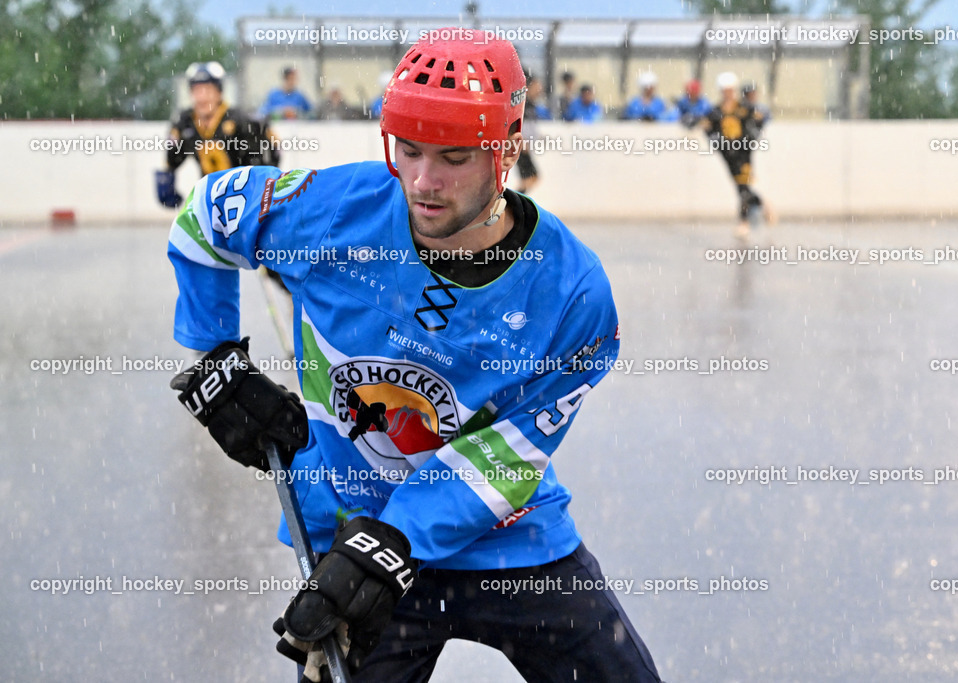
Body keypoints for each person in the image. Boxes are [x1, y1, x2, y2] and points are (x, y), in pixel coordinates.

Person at [167, 29, 662, 682]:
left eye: (454, 157)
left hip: (507, 540)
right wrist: (216, 359)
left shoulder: (572, 293)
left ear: (507, 147)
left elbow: (505, 452)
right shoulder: (333, 212)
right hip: (354, 536)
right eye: (409, 149)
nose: (423, 182)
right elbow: (204, 219)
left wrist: (393, 541)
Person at [156, 61, 279, 209]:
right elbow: (172, 161)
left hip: (244, 200)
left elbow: (271, 152)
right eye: (196, 91)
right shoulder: (185, 122)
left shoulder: (241, 120)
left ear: (219, 93)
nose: (202, 98)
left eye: (207, 90)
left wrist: (261, 190)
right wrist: (167, 181)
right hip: (211, 201)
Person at [700, 71, 772, 238]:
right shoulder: (716, 111)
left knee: (743, 187)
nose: (728, 94)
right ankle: (763, 204)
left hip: (743, 153)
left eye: (730, 90)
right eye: (725, 90)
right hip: (728, 154)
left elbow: (759, 120)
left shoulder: (744, 108)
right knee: (741, 187)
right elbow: (707, 127)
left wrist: (750, 139)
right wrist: (718, 142)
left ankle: (743, 221)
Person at [515, 71, 549, 194]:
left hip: (523, 145)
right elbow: (522, 123)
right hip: (521, 145)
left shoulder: (531, 105)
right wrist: (522, 139)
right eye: (536, 86)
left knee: (530, 178)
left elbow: (530, 125)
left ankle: (516, 200)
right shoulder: (525, 104)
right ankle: (513, 201)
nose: (539, 89)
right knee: (531, 177)